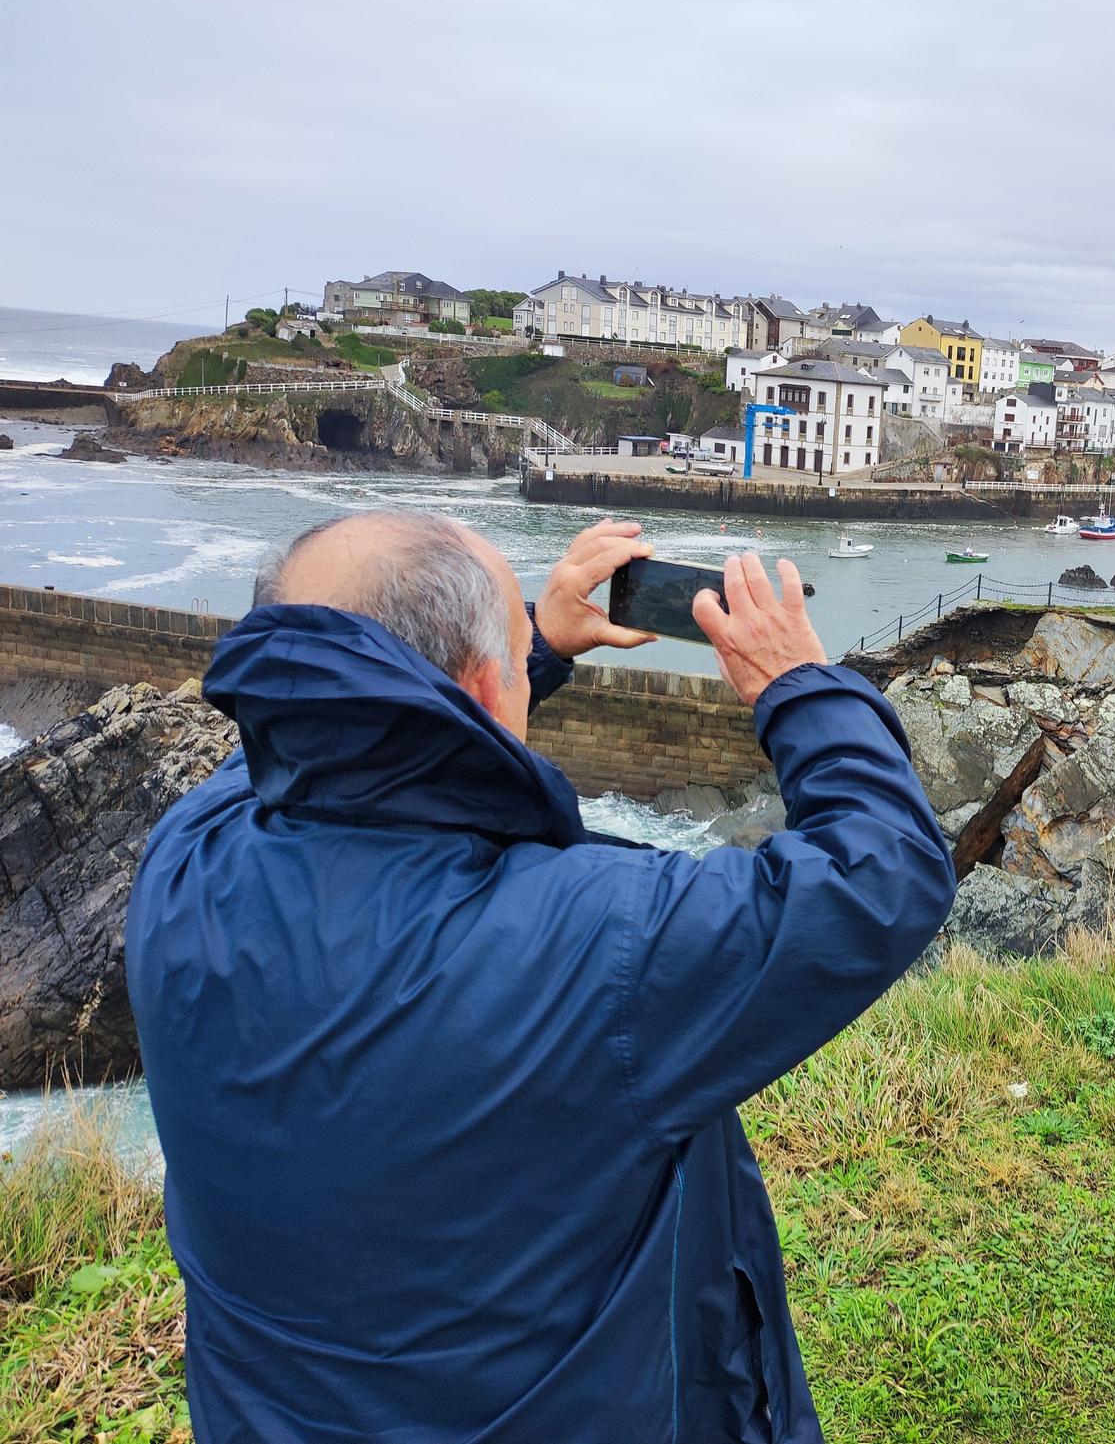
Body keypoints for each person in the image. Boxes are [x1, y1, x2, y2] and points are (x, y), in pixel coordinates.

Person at [126, 512, 957, 1443]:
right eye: (517, 658)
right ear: (488, 688)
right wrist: (799, 685)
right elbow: (880, 869)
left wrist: (534, 647)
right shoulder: (605, 947)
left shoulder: (183, 863)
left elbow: (313, 741)